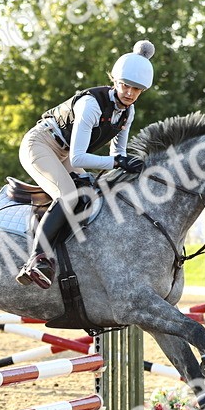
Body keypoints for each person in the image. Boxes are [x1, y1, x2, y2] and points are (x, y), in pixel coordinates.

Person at [14, 40, 152, 289]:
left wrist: (132, 166)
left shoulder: (127, 113)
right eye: (125, 85)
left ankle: (68, 258)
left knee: (90, 195)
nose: (129, 93)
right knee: (68, 195)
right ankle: (35, 259)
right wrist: (117, 161)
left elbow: (117, 153)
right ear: (115, 82)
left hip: (64, 152)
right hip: (41, 144)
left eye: (136, 89)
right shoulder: (91, 105)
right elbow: (79, 158)